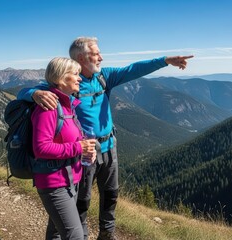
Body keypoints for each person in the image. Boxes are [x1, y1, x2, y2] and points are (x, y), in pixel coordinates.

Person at [18, 36, 193, 240]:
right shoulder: (68, 82)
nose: (101, 57)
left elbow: (133, 69)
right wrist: (34, 94)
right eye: (96, 53)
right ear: (82, 57)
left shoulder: (104, 77)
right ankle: (81, 234)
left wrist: (165, 61)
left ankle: (107, 234)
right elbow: (25, 91)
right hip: (85, 151)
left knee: (111, 193)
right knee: (82, 198)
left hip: (110, 145)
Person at [31, 57, 96, 240]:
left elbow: (68, 138)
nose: (80, 78)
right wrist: (78, 147)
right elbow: (41, 148)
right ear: (60, 78)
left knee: (56, 233)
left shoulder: (68, 106)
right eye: (75, 74)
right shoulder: (49, 108)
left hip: (70, 179)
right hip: (54, 182)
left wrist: (85, 151)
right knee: (74, 235)